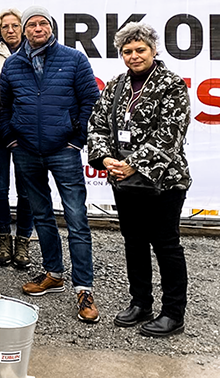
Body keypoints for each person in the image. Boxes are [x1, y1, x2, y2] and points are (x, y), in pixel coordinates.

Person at [88, 23, 192, 337]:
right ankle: (141, 303)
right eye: (128, 51)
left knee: (166, 244)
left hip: (164, 182)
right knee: (134, 243)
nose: (134, 56)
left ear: (153, 50)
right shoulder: (115, 85)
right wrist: (106, 159)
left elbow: (170, 133)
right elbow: (97, 124)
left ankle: (173, 313)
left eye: (140, 50)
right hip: (124, 182)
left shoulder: (171, 84)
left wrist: (132, 165)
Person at [0, 5, 101, 324]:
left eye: (43, 22)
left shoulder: (73, 59)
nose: (37, 28)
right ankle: (54, 273)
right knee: (41, 215)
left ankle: (83, 288)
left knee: (76, 219)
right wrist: (12, 140)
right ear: (25, 30)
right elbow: (3, 107)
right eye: (32, 24)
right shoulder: (13, 65)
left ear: (51, 27)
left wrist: (76, 140)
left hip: (64, 150)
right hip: (27, 150)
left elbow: (90, 102)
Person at [0, 8, 33, 269]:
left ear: (22, 28)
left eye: (15, 25)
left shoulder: (36, 53)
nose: (10, 30)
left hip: (26, 132)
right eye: (5, 27)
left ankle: (23, 240)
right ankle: (3, 239)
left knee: (26, 189)